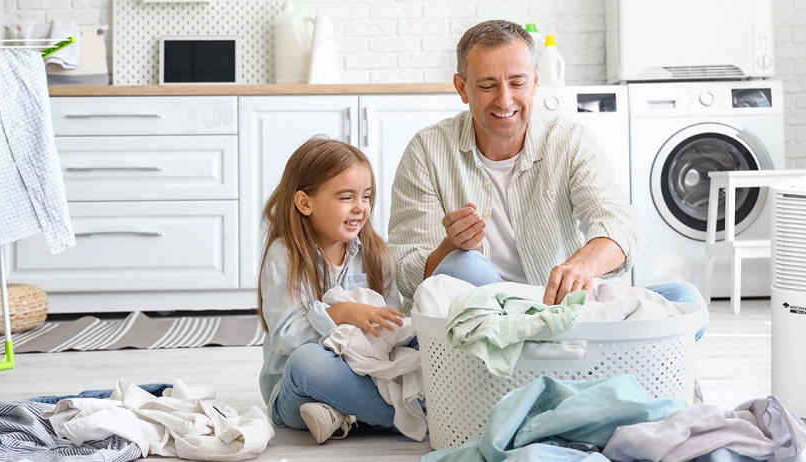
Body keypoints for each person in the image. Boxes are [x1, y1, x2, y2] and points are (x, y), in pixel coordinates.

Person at [388, 20, 707, 337]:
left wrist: (582, 266)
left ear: (536, 81)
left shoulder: (569, 141)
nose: (504, 100)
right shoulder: (427, 150)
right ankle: (557, 365)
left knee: (686, 300)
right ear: (462, 88)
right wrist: (449, 247)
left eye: (517, 83)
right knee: (464, 265)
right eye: (487, 86)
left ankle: (547, 359)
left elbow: (619, 225)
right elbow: (406, 274)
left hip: (556, 312)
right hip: (478, 321)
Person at [257, 138, 408, 444]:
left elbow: (392, 324)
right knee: (306, 363)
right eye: (346, 197)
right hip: (298, 388)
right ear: (305, 203)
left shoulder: (377, 255)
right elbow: (284, 336)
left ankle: (346, 414)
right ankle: (410, 418)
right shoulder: (284, 255)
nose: (360, 208)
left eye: (366, 197)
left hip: (366, 376)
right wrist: (338, 315)